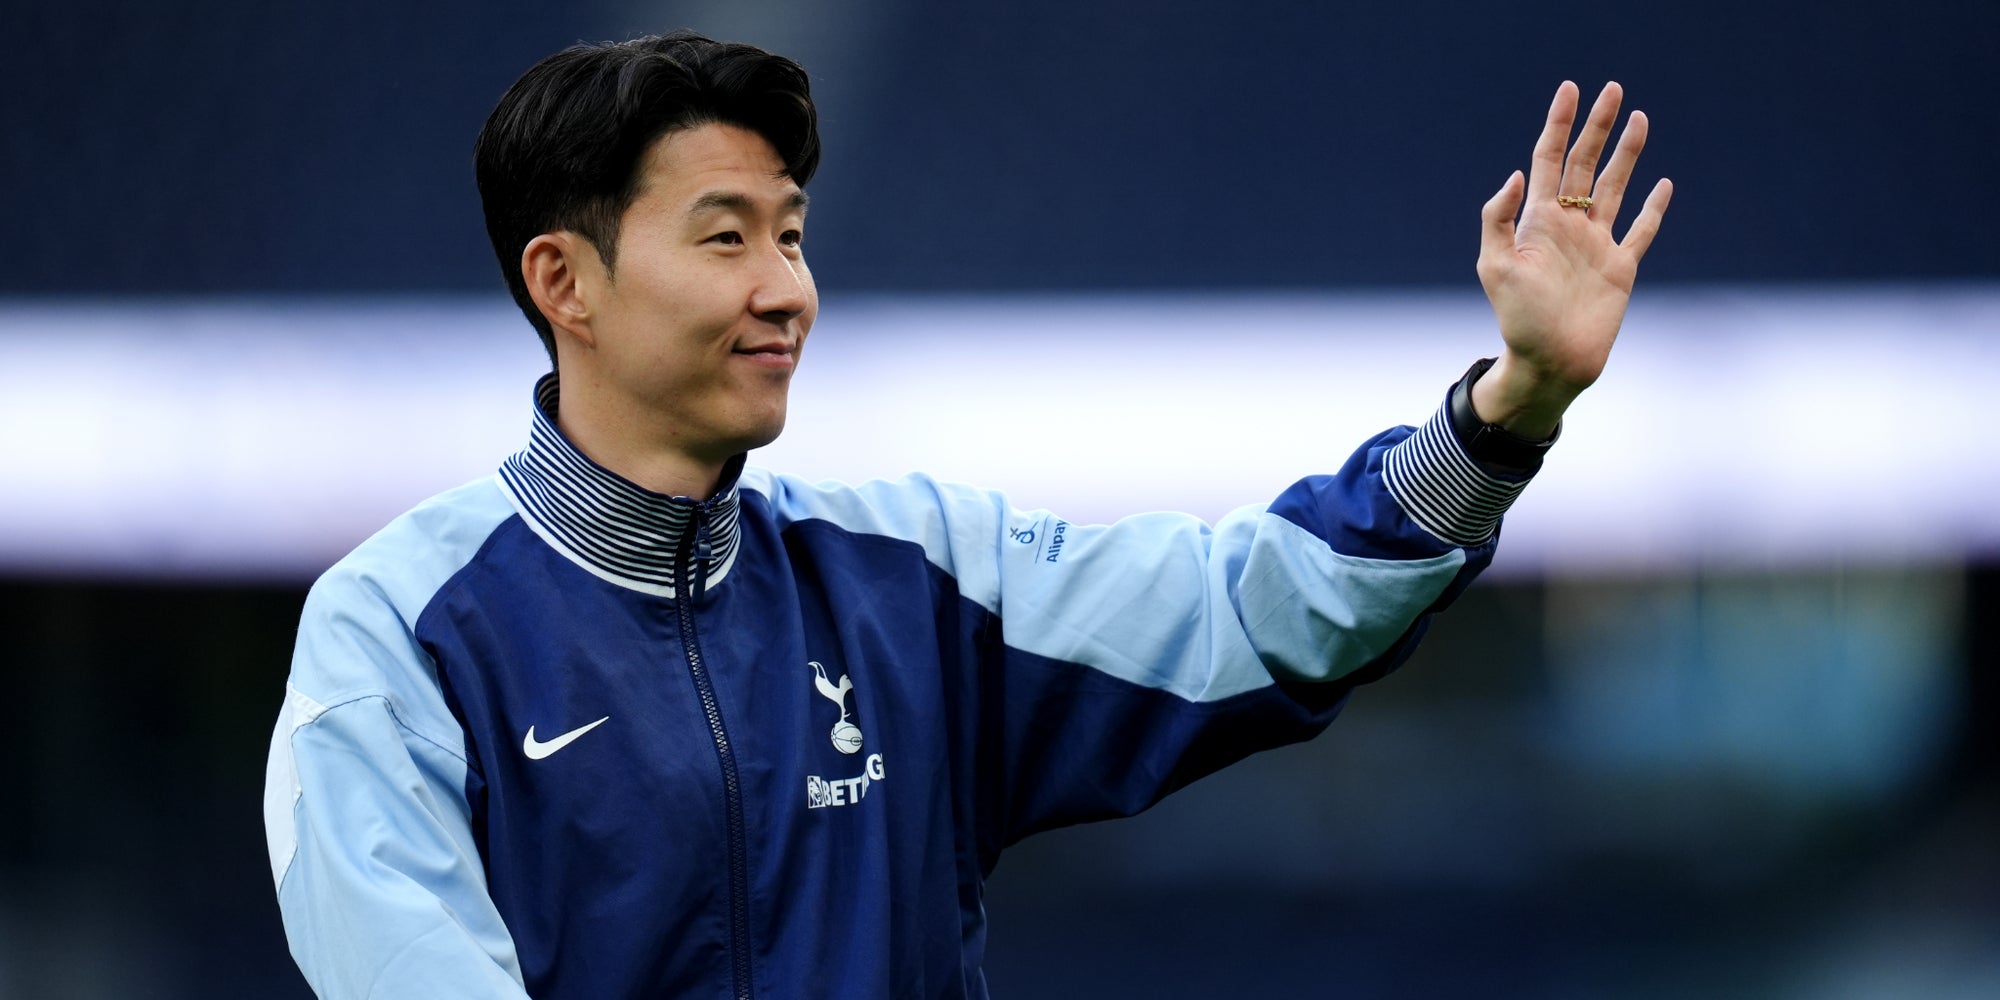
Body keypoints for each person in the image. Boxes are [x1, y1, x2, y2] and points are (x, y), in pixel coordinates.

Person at [261, 30, 1669, 999]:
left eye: (794, 233)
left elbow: (1260, 609)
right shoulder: (399, 636)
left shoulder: (919, 578)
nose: (785, 288)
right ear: (565, 282)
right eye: (726, 236)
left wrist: (1510, 408)